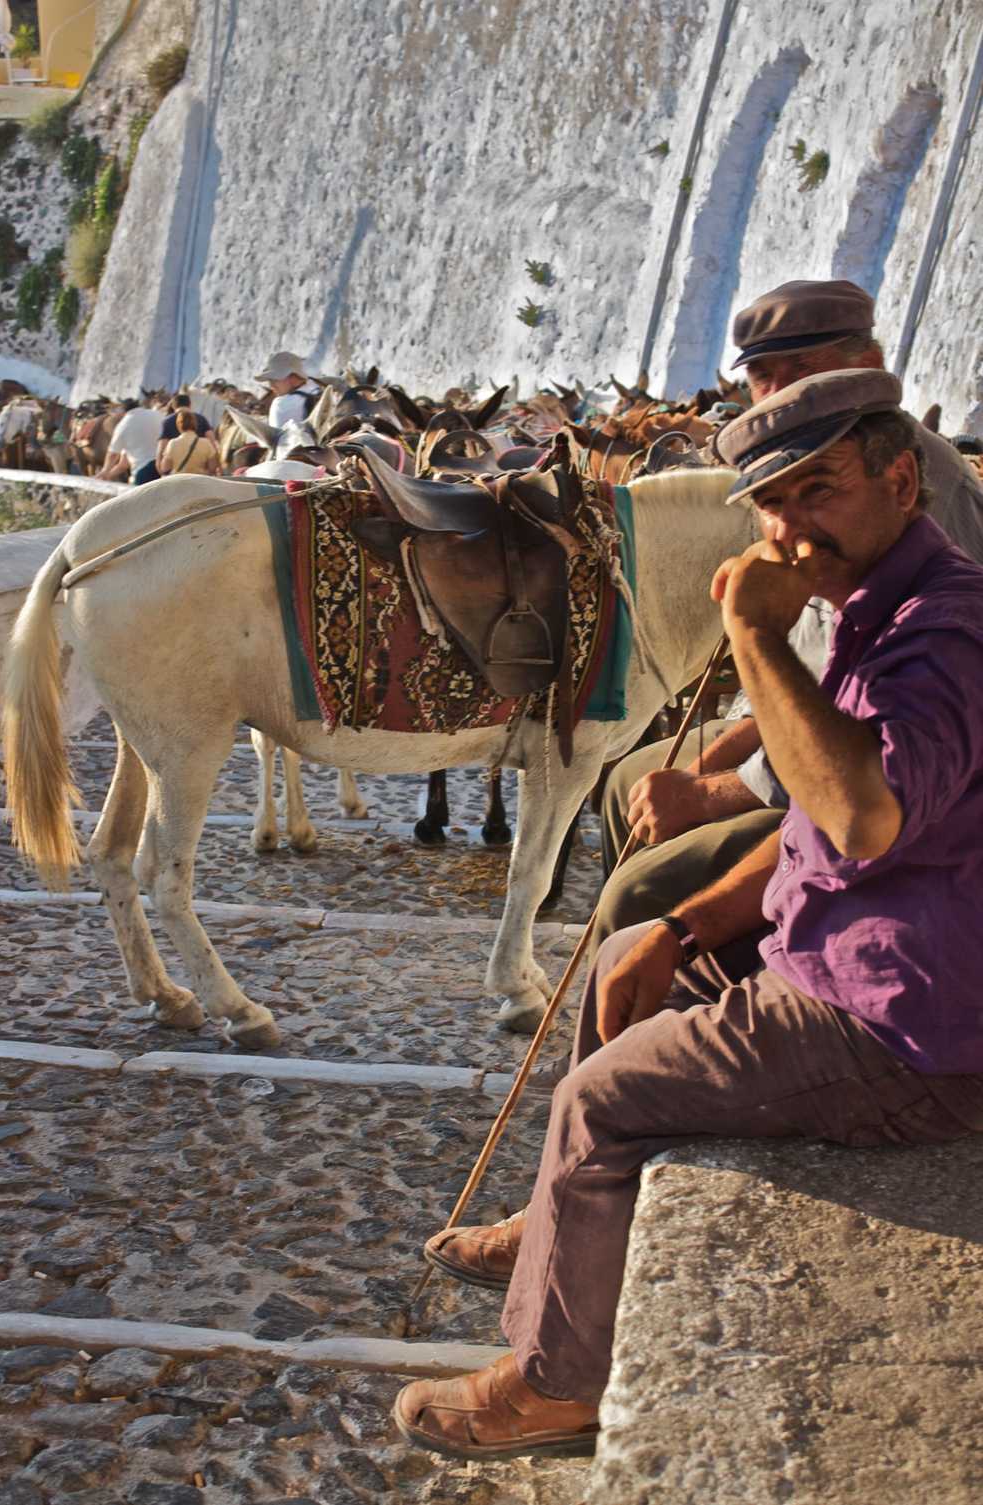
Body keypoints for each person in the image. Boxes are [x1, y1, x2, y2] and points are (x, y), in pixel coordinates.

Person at [392, 369, 983, 1460]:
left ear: (901, 480)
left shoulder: (945, 633)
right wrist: (688, 926)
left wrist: (756, 636)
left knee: (600, 1103)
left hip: (904, 1022)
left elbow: (859, 817)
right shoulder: (878, 603)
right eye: (769, 501)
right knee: (629, 945)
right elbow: (808, 824)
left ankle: (555, 1384)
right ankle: (565, 1225)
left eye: (815, 491)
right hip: (850, 957)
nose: (786, 528)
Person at [597, 278, 983, 956]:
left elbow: (874, 728)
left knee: (640, 896)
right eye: (761, 376)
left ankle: (673, 993)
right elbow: (798, 667)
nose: (774, 394)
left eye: (799, 372)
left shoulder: (906, 479)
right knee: (628, 780)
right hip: (801, 731)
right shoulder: (796, 475)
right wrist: (702, 763)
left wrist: (709, 791)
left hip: (873, 781)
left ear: (866, 367)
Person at [97, 398, 161, 484]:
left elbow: (113, 454)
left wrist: (105, 471)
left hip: (143, 472)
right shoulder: (157, 414)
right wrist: (108, 475)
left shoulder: (123, 426)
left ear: (123, 410)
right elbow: (123, 464)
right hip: (164, 468)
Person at [254, 350, 321, 428]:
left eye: (275, 380)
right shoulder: (318, 389)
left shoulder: (280, 404)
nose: (272, 386)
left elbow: (276, 438)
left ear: (293, 377)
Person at [154, 392, 215, 474]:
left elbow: (162, 447)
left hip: (179, 476)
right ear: (190, 405)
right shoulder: (201, 419)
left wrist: (160, 468)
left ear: (173, 406)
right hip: (200, 475)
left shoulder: (167, 422)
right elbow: (212, 442)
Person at [158, 407, 221, 476]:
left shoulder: (172, 443)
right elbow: (212, 467)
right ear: (195, 424)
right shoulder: (206, 443)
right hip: (200, 480)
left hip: (180, 481)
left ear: (178, 425)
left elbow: (165, 468)